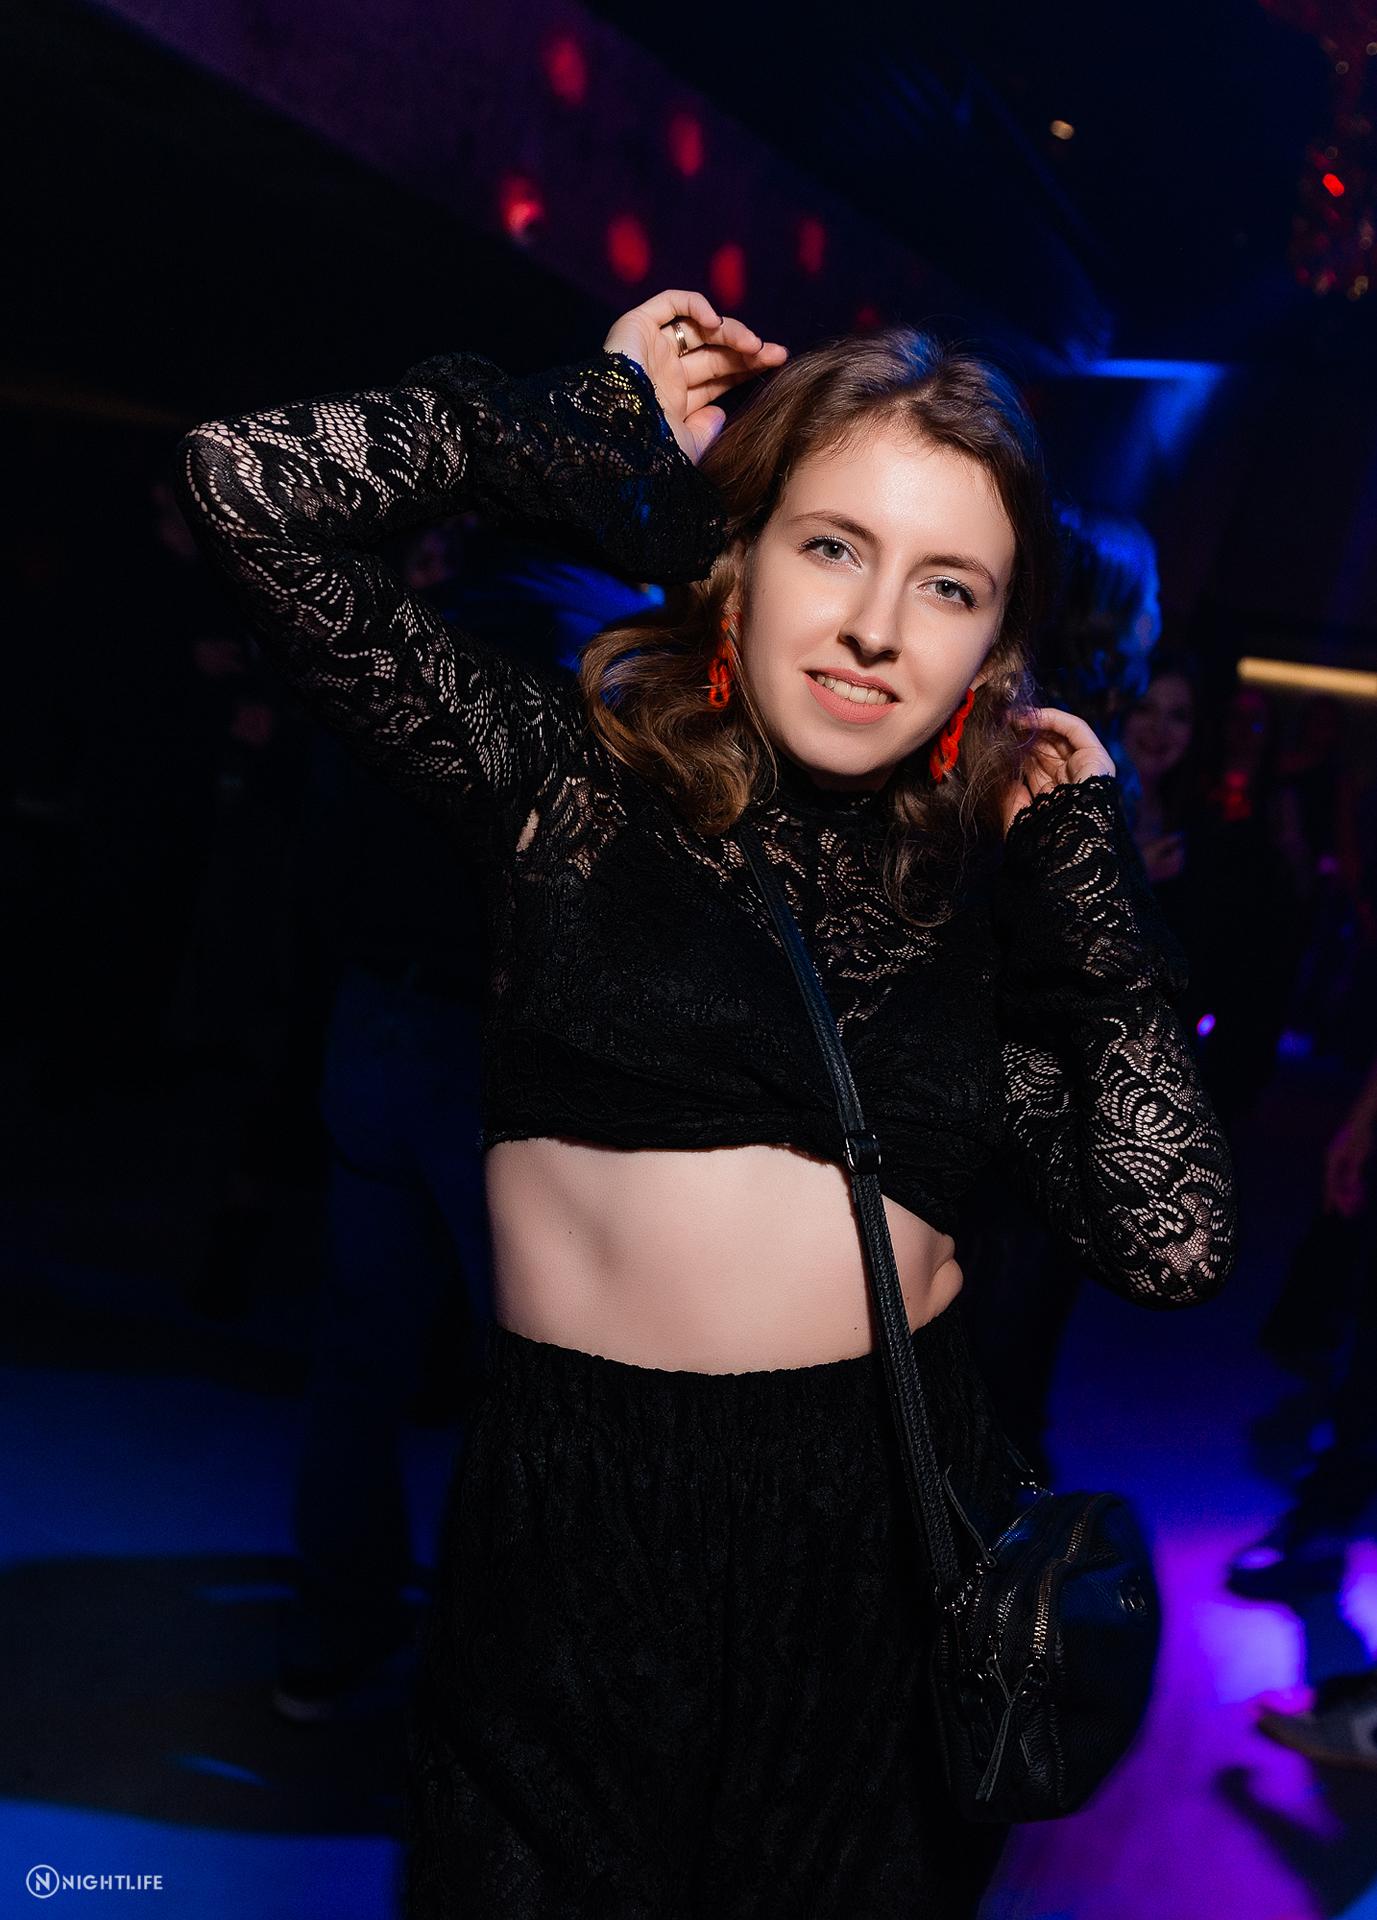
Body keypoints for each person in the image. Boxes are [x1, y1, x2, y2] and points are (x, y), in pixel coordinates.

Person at [173, 287, 1237, 1918]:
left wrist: (1087, 905)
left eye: (945, 585)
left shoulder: (986, 904)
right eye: (831, 547)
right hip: (570, 1523)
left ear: (994, 647)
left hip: (881, 1545)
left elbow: (1169, 1245)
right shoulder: (560, 788)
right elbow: (245, 486)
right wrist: (577, 426)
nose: (875, 625)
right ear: (733, 561)